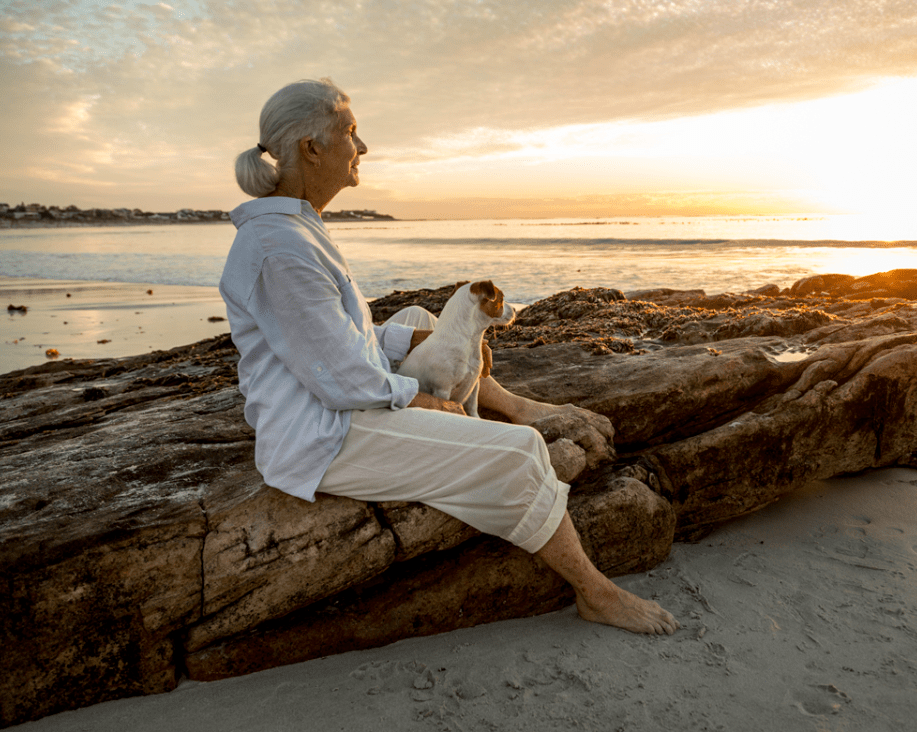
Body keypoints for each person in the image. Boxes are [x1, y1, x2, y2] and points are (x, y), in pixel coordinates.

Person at [220, 78, 678, 635]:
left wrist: (404, 344)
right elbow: (339, 378)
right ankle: (594, 592)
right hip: (321, 435)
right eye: (350, 133)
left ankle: (507, 400)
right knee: (520, 452)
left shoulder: (297, 229)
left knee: (419, 320)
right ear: (311, 149)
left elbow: (336, 336)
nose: (362, 148)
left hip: (332, 396)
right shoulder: (279, 249)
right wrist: (426, 402)